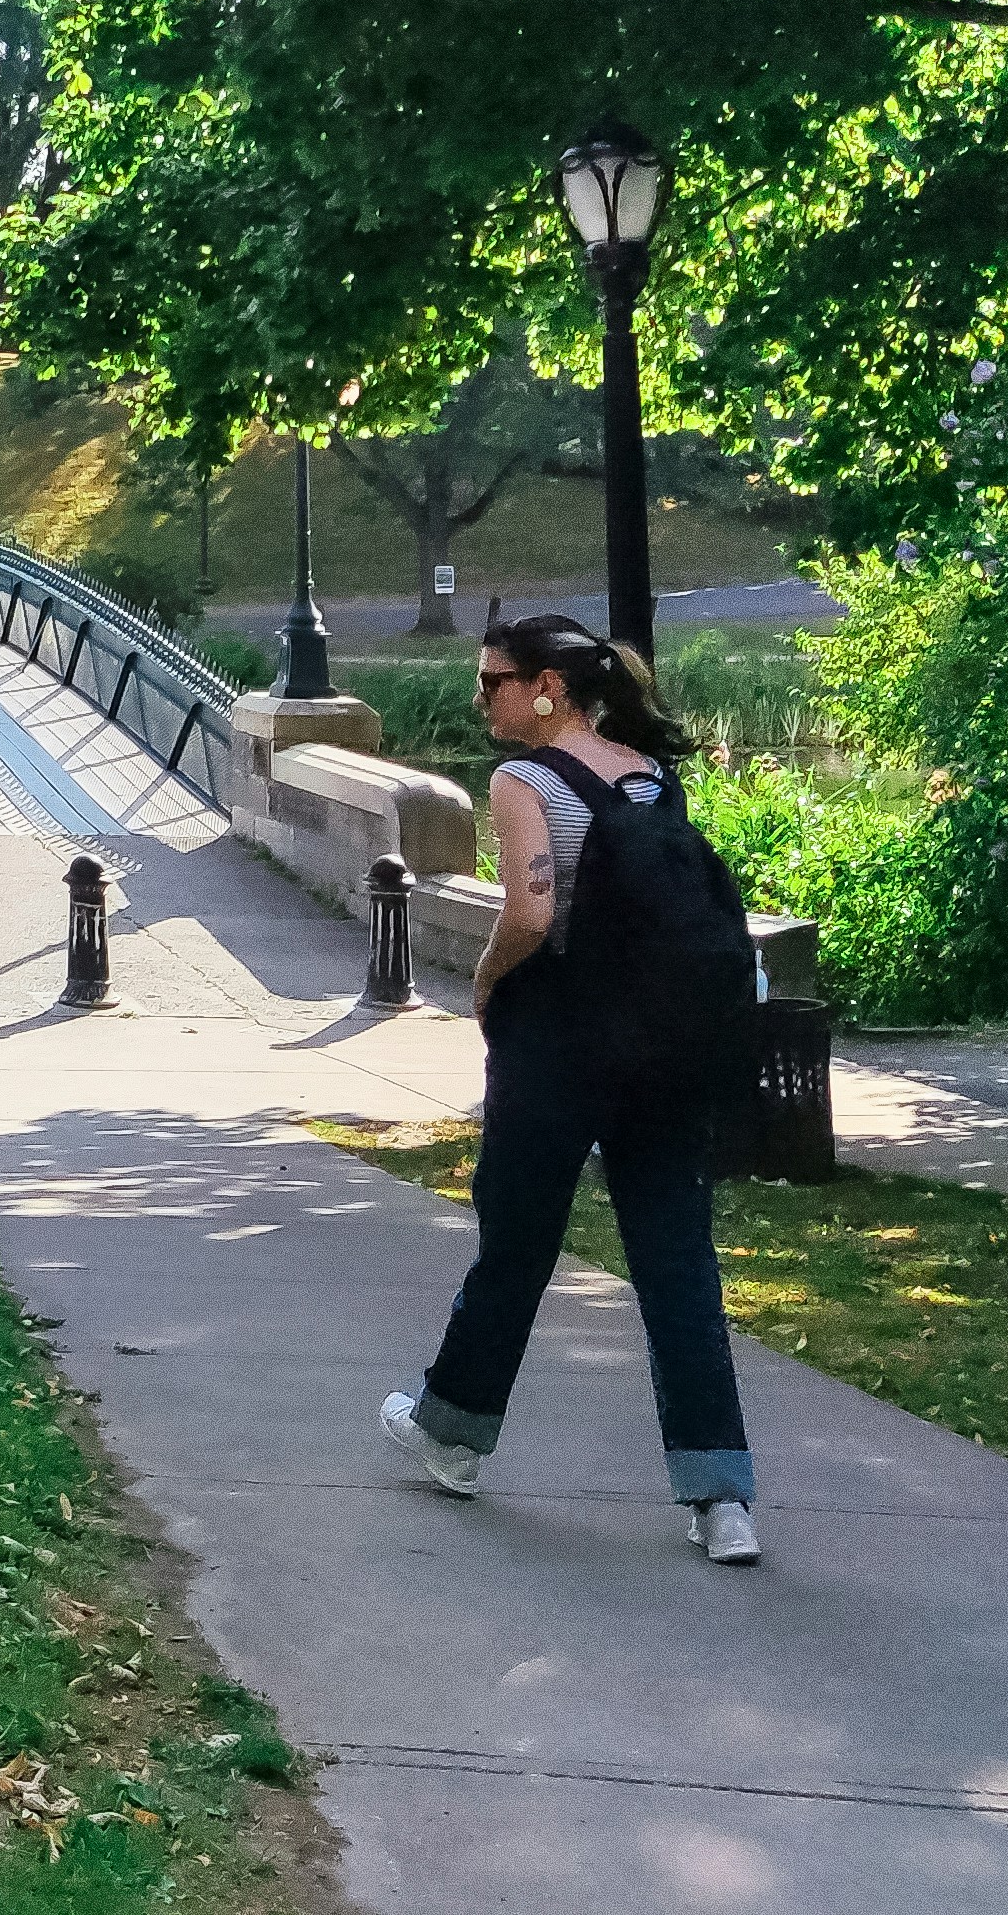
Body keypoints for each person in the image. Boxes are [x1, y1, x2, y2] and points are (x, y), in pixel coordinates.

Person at [379, 611, 764, 1565]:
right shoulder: (647, 773)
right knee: (677, 1260)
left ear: (544, 687)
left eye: (492, 681)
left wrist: (483, 982)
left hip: (559, 1040)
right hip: (663, 1046)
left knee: (516, 1244)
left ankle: (454, 1435)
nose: (481, 699)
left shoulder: (525, 779)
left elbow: (532, 910)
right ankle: (721, 1498)